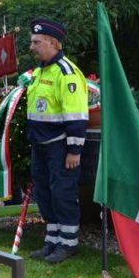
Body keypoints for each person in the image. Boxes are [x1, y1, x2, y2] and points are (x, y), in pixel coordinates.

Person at [25, 19, 89, 264]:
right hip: (40, 144)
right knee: (44, 194)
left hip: (60, 145)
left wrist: (74, 150)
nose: (32, 47)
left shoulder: (67, 72)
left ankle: (69, 244)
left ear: (53, 43)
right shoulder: (40, 71)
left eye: (36, 42)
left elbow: (76, 115)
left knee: (62, 193)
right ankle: (52, 240)